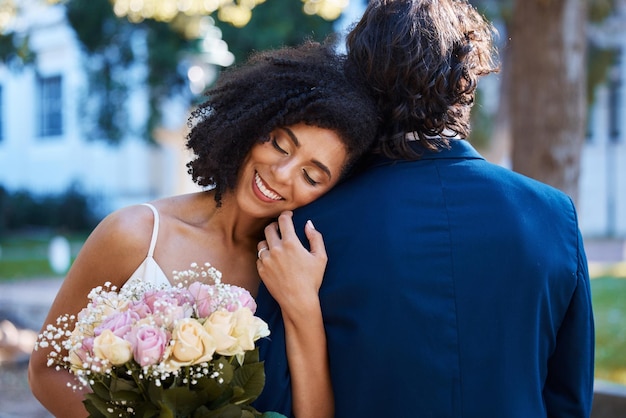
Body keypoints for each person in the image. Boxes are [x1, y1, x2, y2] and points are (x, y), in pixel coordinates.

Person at [253, 0, 595, 417]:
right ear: (467, 83)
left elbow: (273, 400)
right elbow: (569, 400)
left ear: (360, 82)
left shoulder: (303, 231)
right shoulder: (555, 215)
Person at [28, 41, 379, 418]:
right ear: (252, 122)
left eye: (310, 175)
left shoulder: (301, 271)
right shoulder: (134, 234)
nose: (281, 174)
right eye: (279, 144)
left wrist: (303, 304)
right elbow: (47, 369)